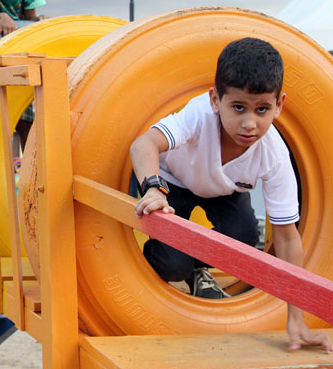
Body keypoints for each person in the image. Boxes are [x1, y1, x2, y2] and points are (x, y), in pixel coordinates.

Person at [130, 37, 331, 352]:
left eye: (262, 109)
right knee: (173, 266)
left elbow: (288, 238)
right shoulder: (198, 115)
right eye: (238, 108)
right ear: (215, 100)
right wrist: (154, 187)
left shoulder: (273, 155)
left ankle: (199, 270)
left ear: (279, 106)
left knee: (244, 239)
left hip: (224, 191)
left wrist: (297, 317)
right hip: (172, 182)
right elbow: (143, 145)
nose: (249, 123)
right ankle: (175, 263)